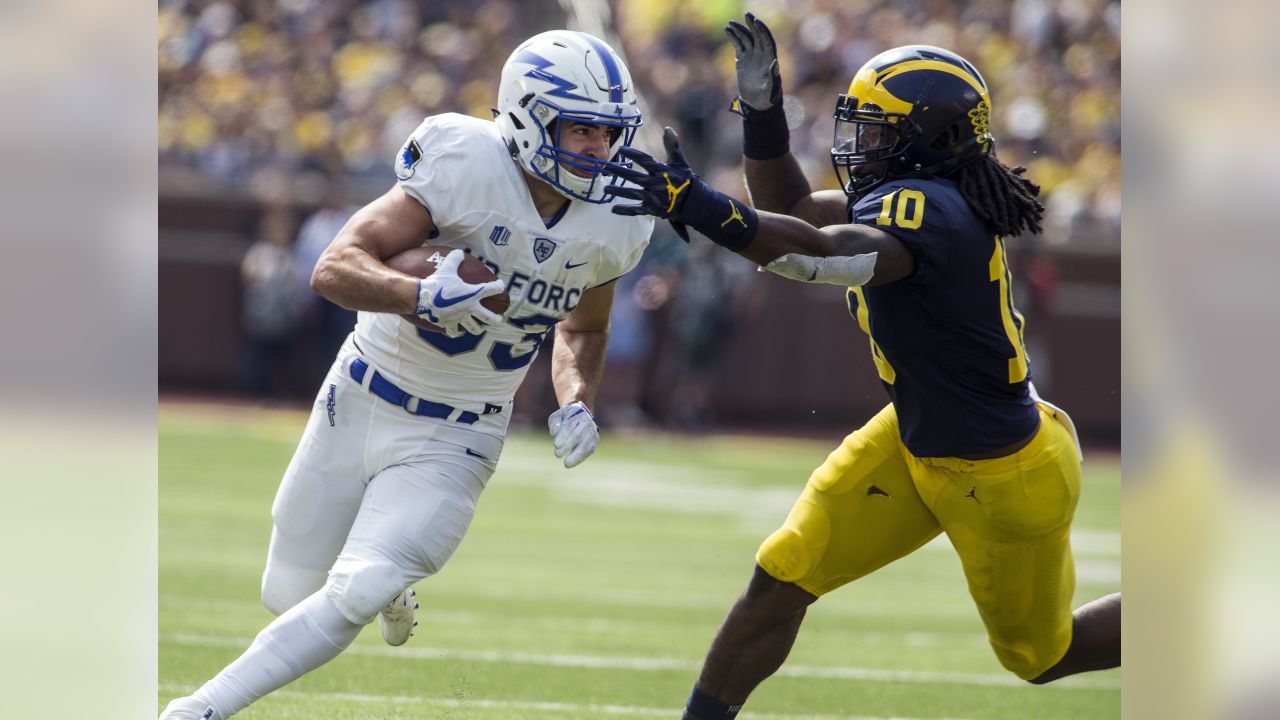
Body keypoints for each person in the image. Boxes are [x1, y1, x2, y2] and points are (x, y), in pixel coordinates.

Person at [600, 14, 1120, 720]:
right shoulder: (923, 193)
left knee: (1041, 656)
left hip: (1001, 474)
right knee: (781, 574)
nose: (859, 141)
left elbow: (816, 255)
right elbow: (787, 207)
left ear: (928, 139)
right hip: (916, 438)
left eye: (877, 127)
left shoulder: (932, 210)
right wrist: (761, 112)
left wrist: (695, 202)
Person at [159, 29, 653, 719]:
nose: (599, 152)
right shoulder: (464, 162)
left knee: (353, 591)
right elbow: (334, 266)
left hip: (459, 434)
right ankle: (388, 580)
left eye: (607, 134)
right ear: (526, 116)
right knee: (287, 590)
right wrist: (417, 295)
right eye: (580, 131)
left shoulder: (617, 218)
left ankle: (200, 708)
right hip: (361, 390)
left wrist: (577, 399)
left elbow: (584, 327)